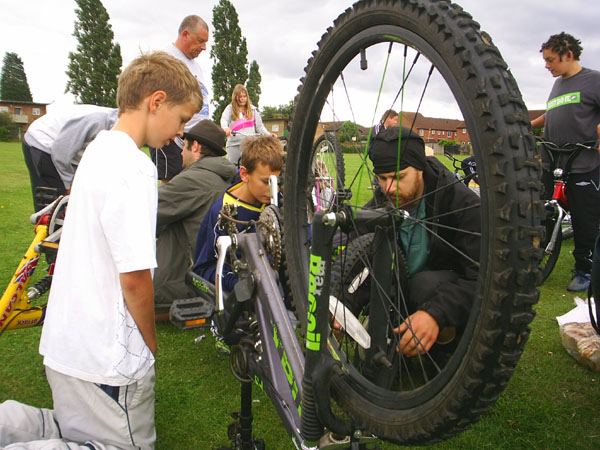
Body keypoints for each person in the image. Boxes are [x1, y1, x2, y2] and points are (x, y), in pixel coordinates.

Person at [0, 51, 202, 449]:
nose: (179, 134)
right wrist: (148, 345)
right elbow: (134, 277)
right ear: (156, 101)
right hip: (108, 359)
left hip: (67, 344)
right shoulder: (136, 167)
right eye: (181, 120)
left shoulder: (95, 151)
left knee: (72, 427)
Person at [340, 126, 480, 357]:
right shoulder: (379, 205)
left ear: (420, 168)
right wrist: (344, 304)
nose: (390, 188)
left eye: (399, 177)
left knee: (424, 285)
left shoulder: (461, 204)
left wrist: (435, 313)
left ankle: (448, 352)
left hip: (444, 300)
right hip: (400, 298)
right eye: (382, 179)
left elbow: (481, 278)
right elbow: (359, 256)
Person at [531, 32, 600, 292]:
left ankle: (584, 269)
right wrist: (532, 125)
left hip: (583, 163)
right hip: (552, 161)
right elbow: (554, 113)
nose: (547, 65)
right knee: (543, 212)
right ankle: (535, 259)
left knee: (585, 220)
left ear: (568, 54)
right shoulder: (558, 84)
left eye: (551, 60)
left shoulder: (594, 80)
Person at [154, 120, 236, 320]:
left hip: (187, 288)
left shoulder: (194, 179)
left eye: (184, 146)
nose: (181, 152)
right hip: (218, 279)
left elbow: (145, 212)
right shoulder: (224, 176)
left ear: (196, 146)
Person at [193, 135, 284, 292]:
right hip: (242, 296)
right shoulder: (222, 212)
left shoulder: (276, 198)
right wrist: (241, 285)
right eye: (266, 182)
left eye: (277, 182)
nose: (274, 190)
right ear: (244, 174)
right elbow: (204, 268)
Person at [21, 104, 119, 211]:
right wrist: (69, 186)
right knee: (56, 206)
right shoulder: (99, 120)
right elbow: (60, 151)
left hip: (69, 153)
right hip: (43, 143)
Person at [150, 15, 211, 182]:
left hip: (194, 138)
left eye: (205, 42)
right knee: (173, 187)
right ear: (185, 34)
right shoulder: (165, 59)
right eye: (200, 41)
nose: (204, 47)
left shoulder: (197, 66)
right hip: (172, 138)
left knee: (194, 186)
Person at [220, 84, 275, 166]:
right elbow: (224, 119)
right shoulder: (230, 108)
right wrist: (225, 128)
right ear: (236, 97)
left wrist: (268, 135)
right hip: (234, 144)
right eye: (240, 96)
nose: (242, 99)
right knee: (232, 167)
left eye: (244, 96)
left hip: (249, 144)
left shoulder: (253, 109)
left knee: (251, 166)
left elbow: (260, 126)